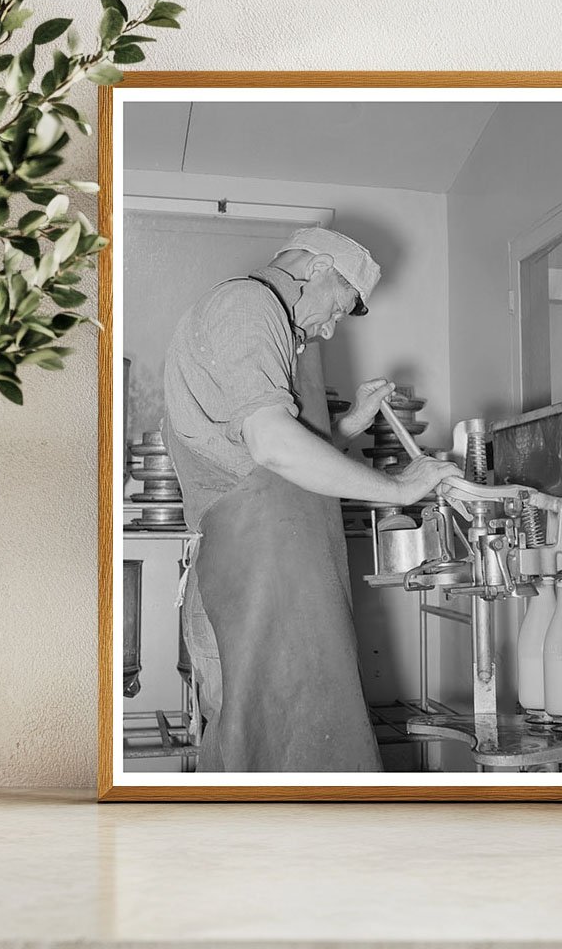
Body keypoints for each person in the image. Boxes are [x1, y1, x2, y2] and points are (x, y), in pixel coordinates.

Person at [163, 226, 460, 772]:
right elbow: (272, 447)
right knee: (253, 757)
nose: (328, 329)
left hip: (273, 570)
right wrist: (399, 487)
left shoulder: (270, 320)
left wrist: (348, 424)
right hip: (247, 576)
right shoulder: (247, 305)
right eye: (340, 308)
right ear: (318, 265)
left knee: (289, 749)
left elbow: (262, 456)